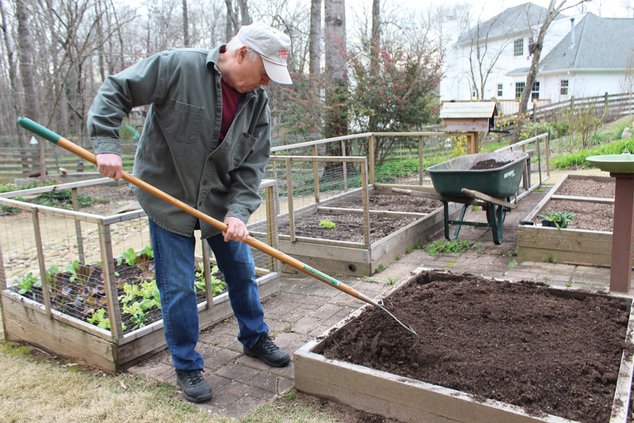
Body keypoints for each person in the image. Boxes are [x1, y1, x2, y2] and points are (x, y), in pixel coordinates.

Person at [87, 22, 293, 403]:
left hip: (219, 204)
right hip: (169, 196)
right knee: (179, 287)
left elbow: (252, 166)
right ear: (243, 52)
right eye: (264, 73)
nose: (265, 83)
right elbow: (117, 89)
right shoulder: (177, 67)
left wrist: (238, 213)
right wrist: (106, 143)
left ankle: (255, 338)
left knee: (243, 272)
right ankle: (187, 365)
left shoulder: (256, 103)